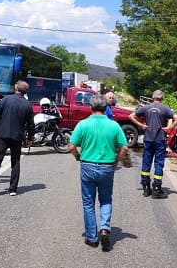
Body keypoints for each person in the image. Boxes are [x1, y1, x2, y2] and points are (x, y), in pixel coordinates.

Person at [68, 94, 129, 252]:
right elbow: (124, 147)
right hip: (107, 167)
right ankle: (104, 229)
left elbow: (71, 146)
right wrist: (116, 162)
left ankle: (92, 237)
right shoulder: (114, 125)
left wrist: (78, 157)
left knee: (88, 203)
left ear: (90, 107)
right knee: (106, 200)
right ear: (106, 108)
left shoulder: (83, 124)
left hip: (87, 165)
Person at [0, 80, 35, 197]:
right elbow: (31, 124)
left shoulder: (6, 99)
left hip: (3, 134)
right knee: (15, 162)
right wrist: (29, 138)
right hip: (17, 137)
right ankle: (13, 189)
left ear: (16, 88)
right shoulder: (27, 105)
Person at [129, 89, 177, 199]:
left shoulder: (146, 108)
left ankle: (146, 188)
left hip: (148, 139)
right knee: (158, 163)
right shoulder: (165, 109)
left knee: (146, 162)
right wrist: (169, 127)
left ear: (152, 97)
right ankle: (157, 189)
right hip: (160, 139)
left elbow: (131, 116)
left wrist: (141, 125)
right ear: (162, 98)